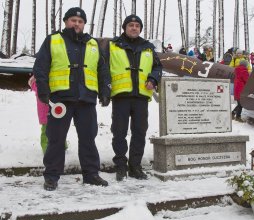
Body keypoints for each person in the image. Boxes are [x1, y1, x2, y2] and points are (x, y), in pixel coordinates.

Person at [33, 7, 111, 191]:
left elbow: (103, 70)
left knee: (88, 138)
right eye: (73, 20)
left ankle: (91, 174)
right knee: (56, 139)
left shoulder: (93, 44)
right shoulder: (53, 40)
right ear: (66, 21)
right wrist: (43, 90)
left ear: (84, 24)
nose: (76, 23)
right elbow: (41, 66)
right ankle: (51, 176)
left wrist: (105, 91)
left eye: (80, 21)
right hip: (61, 99)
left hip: (86, 99)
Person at [106, 15, 162, 181]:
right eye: (131, 25)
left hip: (141, 97)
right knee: (119, 132)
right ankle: (121, 166)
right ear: (125, 27)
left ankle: (135, 167)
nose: (134, 28)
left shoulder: (148, 47)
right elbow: (104, 67)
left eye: (137, 25)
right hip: (121, 96)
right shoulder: (113, 45)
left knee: (139, 133)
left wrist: (153, 78)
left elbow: (157, 66)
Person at [28, 76, 49, 154]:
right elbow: (33, 84)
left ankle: (63, 145)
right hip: (45, 111)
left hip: (55, 110)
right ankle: (46, 148)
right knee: (46, 130)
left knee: (59, 129)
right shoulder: (38, 83)